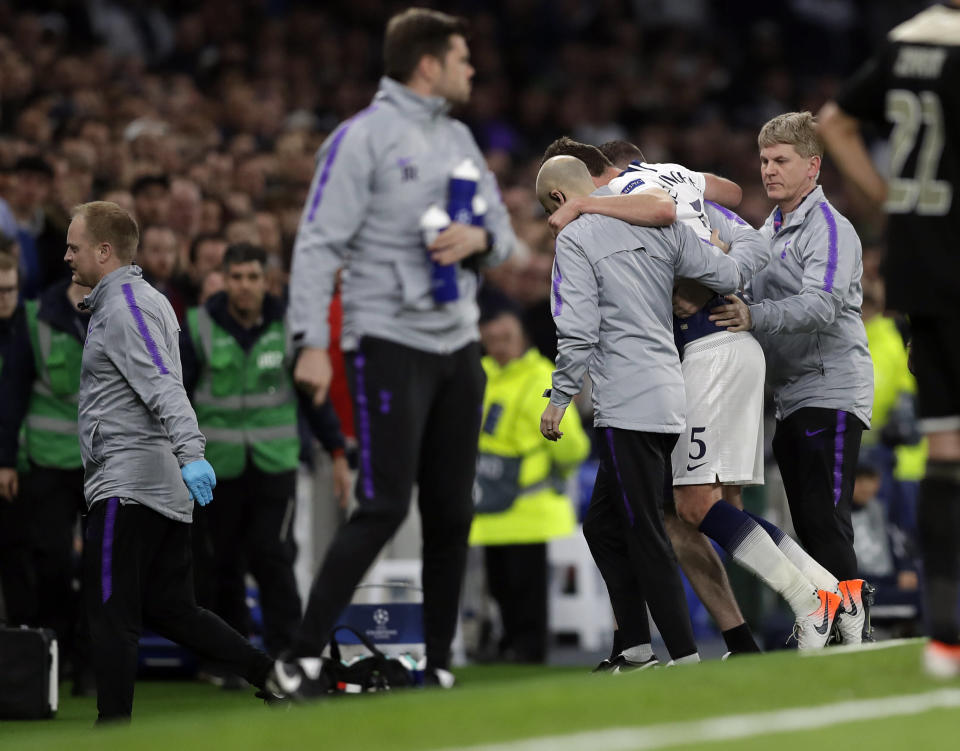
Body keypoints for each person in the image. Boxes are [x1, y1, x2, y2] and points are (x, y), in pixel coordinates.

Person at [277, 8, 515, 693]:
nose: (472, 70)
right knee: (382, 504)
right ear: (428, 64)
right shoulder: (362, 138)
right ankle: (301, 655)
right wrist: (311, 342)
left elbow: (499, 231)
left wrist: (481, 242)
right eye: (462, 58)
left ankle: (437, 662)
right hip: (386, 341)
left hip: (458, 343)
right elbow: (318, 242)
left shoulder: (464, 139)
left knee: (452, 510)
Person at [545, 138, 852, 651]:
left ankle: (811, 600)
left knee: (690, 507)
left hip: (711, 353)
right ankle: (817, 600)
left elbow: (708, 227)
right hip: (716, 357)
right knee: (702, 508)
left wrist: (706, 283)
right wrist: (712, 267)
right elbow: (741, 217)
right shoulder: (682, 192)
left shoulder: (629, 200)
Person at [65, 201, 273, 723]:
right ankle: (269, 674)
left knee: (112, 613)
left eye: (75, 246)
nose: (67, 255)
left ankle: (112, 729)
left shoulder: (124, 307)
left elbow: (163, 386)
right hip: (156, 486)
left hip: (128, 485)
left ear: (104, 251)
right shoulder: (142, 301)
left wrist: (193, 452)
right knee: (172, 609)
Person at [538, 155, 745, 666]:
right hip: (670, 393)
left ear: (560, 200)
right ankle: (633, 647)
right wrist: (716, 256)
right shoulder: (657, 223)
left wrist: (560, 398)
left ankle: (681, 657)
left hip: (625, 402)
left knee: (645, 528)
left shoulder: (575, 239)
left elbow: (578, 330)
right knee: (604, 526)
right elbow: (726, 269)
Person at [817, 1, 960, 674]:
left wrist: (887, 205)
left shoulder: (906, 43)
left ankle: (946, 637)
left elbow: (834, 123)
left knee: (946, 445)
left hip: (920, 267)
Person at [709, 111, 875, 645]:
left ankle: (854, 626)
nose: (769, 170)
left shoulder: (829, 228)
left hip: (831, 388)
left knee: (825, 517)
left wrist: (754, 316)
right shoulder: (769, 231)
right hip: (792, 393)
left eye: (781, 160)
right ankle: (837, 620)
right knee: (806, 520)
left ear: (813, 165)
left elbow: (823, 305)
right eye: (763, 160)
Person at [180, 242, 350, 658]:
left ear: (267, 281)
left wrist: (337, 453)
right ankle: (231, 659)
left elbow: (314, 396)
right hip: (216, 468)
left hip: (275, 464)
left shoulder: (291, 325)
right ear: (223, 279)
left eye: (253, 277)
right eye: (236, 277)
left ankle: (288, 653)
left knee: (273, 554)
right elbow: (177, 396)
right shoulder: (198, 326)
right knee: (221, 563)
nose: (244, 286)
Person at [469, 302, 589, 663]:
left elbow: (571, 446)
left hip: (527, 506)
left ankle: (527, 648)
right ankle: (507, 643)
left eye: (506, 337)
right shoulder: (479, 373)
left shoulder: (542, 377)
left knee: (524, 586)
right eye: (491, 339)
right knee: (499, 584)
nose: (499, 345)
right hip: (489, 507)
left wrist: (554, 474)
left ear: (522, 337)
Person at [0, 274, 90, 685]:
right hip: (49, 459)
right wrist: (6, 461)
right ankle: (57, 650)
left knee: (102, 565)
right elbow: (14, 389)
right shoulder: (36, 316)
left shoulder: (126, 309)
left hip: (105, 460)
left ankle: (90, 661)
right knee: (51, 559)